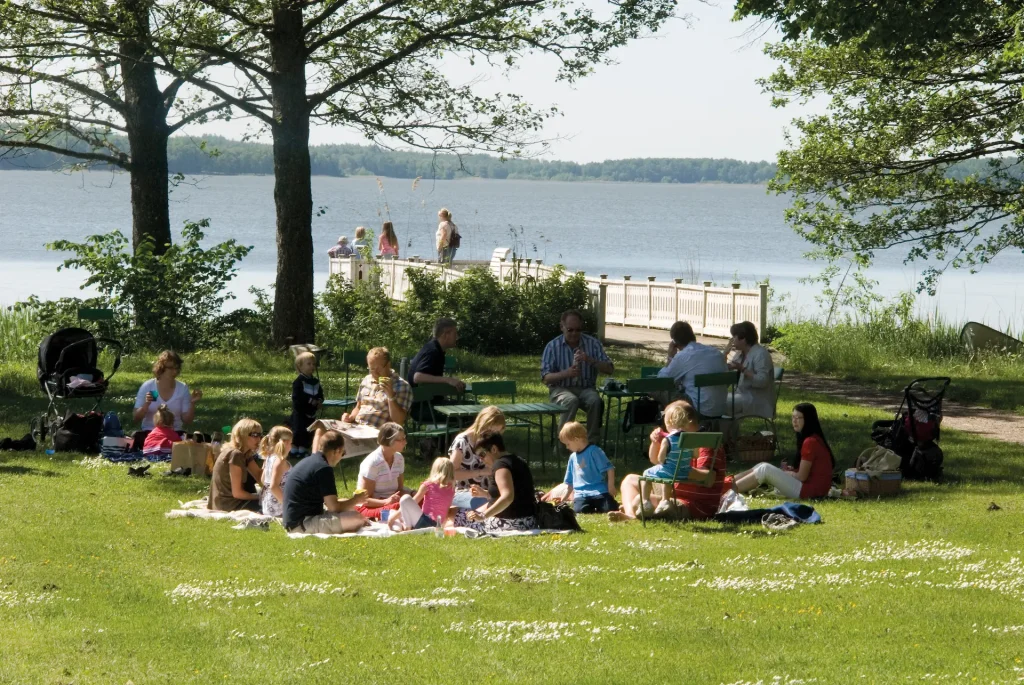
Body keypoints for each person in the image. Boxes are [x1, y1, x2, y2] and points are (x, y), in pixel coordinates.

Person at [609, 401, 724, 523]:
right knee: (630, 480)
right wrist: (655, 442)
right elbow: (655, 460)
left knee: (638, 500)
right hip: (671, 489)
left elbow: (709, 479)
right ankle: (631, 514)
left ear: (686, 421)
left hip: (691, 504)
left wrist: (680, 471)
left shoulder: (706, 443)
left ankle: (633, 511)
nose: (667, 425)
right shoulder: (675, 440)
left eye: (670, 420)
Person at [733, 403, 835, 499]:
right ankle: (728, 482)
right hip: (810, 489)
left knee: (765, 469)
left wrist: (788, 473)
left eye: (798, 418)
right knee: (762, 465)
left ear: (808, 420)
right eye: (793, 417)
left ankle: (729, 489)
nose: (794, 421)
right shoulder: (812, 438)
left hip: (809, 491)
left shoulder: (810, 442)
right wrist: (792, 471)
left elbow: (801, 477)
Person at [541, 309, 614, 444]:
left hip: (586, 388)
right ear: (562, 327)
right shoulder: (552, 346)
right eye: (570, 330)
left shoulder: (592, 343)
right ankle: (563, 444)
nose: (574, 333)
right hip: (560, 389)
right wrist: (566, 373)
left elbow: (609, 369)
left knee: (595, 401)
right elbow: (546, 378)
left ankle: (592, 444)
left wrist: (590, 360)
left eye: (578, 330)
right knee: (571, 400)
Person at [282, 429, 367, 534]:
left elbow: (330, 503)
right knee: (357, 518)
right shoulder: (324, 468)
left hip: (297, 520)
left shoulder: (311, 461)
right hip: (301, 525)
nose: (341, 457)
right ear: (337, 451)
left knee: (347, 505)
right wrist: (356, 500)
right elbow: (334, 508)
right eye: (343, 453)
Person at [454, 434, 537, 532]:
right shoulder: (518, 461)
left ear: (494, 449)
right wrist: (485, 494)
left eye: (482, 454)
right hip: (529, 522)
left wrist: (483, 516)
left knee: (455, 513)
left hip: (508, 524)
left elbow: (507, 497)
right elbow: (517, 495)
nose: (481, 460)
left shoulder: (500, 465)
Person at [637, 400, 699, 518]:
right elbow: (696, 455)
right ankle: (665, 500)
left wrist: (665, 456)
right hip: (685, 473)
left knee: (647, 474)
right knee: (668, 474)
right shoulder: (691, 439)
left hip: (672, 474)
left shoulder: (668, 440)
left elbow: (659, 459)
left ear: (669, 422)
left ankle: (645, 503)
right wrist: (655, 443)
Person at [657, 321, 729, 417]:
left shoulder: (684, 356)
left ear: (674, 342)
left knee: (657, 389)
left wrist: (670, 357)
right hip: (721, 408)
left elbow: (663, 380)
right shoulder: (716, 352)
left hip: (698, 409)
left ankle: (665, 423)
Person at [448, 405, 505, 509]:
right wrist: (481, 472)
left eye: (497, 433)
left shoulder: (491, 443)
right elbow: (450, 474)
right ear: (483, 425)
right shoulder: (462, 441)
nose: (493, 436)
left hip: (486, 491)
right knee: (484, 503)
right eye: (491, 431)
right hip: (463, 492)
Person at [355, 422, 412, 520]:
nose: (405, 442)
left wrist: (413, 494)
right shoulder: (373, 463)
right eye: (401, 439)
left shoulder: (399, 459)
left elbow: (400, 489)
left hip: (392, 503)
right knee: (399, 507)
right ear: (390, 441)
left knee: (420, 499)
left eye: (404, 438)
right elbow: (364, 500)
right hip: (371, 506)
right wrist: (386, 502)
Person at [133, 350, 202, 431]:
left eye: (177, 368)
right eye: (171, 368)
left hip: (175, 433)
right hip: (150, 432)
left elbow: (187, 420)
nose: (175, 371)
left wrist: (192, 403)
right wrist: (146, 405)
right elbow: (136, 418)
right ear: (161, 367)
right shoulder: (148, 386)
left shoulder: (182, 388)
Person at [558, 421, 617, 514]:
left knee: (609, 508)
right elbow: (570, 483)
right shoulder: (572, 457)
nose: (566, 447)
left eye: (568, 444)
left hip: (599, 491)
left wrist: (611, 486)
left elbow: (609, 468)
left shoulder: (594, 451)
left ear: (576, 440)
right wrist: (564, 498)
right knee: (580, 510)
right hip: (581, 494)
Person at [208, 419, 264, 512]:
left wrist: (268, 457)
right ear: (243, 435)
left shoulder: (244, 454)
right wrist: (260, 497)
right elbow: (237, 493)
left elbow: (261, 478)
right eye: (254, 435)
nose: (259, 439)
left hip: (227, 503)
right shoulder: (236, 454)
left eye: (260, 435)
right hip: (230, 505)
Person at [389, 457, 457, 531]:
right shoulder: (451, 489)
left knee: (405, 499)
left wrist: (392, 519)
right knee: (399, 513)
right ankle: (404, 525)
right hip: (437, 525)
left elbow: (413, 502)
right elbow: (446, 510)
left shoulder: (428, 485)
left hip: (425, 522)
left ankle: (407, 527)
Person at [725, 321, 775, 418]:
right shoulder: (740, 353)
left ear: (743, 338)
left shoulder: (760, 354)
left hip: (757, 399)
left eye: (734, 337)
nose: (732, 340)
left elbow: (763, 381)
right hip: (741, 395)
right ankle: (728, 432)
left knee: (720, 404)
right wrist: (725, 354)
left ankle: (724, 432)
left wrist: (743, 369)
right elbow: (724, 369)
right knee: (714, 401)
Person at [289, 351, 323, 456]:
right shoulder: (299, 381)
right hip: (300, 412)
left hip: (311, 411)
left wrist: (320, 400)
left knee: (309, 430)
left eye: (313, 364)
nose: (312, 366)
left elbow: (320, 393)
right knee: (298, 430)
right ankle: (294, 449)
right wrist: (310, 400)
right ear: (300, 366)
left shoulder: (315, 382)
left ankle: (303, 449)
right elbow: (297, 397)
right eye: (308, 364)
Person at [260, 426, 293, 518]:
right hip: (279, 506)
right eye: (290, 443)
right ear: (286, 443)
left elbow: (263, 480)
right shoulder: (280, 461)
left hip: (268, 503)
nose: (291, 446)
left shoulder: (269, 457)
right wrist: (289, 505)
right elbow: (274, 486)